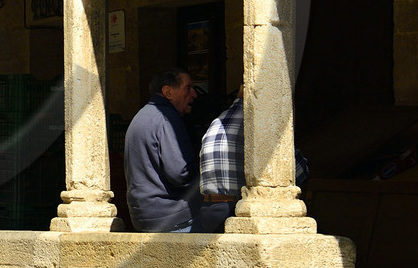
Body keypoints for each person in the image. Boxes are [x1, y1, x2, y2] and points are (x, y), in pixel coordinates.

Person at [192, 90, 309, 233]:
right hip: (232, 209)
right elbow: (298, 170)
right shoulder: (259, 123)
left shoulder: (218, 121)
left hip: (208, 210)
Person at [123, 68, 200, 232]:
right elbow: (180, 173)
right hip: (169, 215)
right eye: (188, 88)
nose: (194, 94)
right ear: (168, 92)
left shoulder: (142, 115)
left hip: (143, 214)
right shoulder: (166, 118)